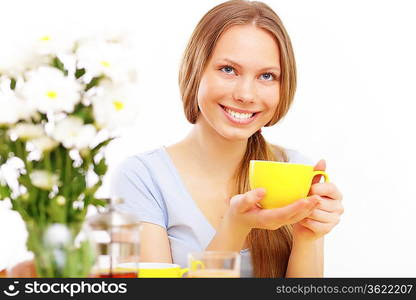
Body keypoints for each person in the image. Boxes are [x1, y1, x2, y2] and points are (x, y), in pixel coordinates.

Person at [111, 0, 343, 278]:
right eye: (228, 70)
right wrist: (234, 228)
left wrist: (309, 235)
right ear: (196, 71)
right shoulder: (143, 178)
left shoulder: (295, 168)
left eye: (267, 76)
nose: (246, 94)